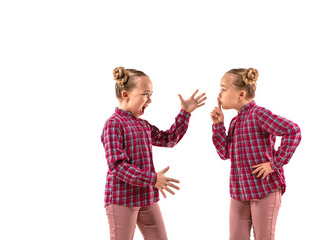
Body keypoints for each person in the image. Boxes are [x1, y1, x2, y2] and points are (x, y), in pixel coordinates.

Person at [101, 66, 206, 240]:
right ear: (126, 95)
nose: (149, 100)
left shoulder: (142, 125)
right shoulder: (113, 124)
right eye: (145, 94)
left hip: (146, 196)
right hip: (122, 198)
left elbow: (169, 139)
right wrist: (153, 179)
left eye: (151, 95)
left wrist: (185, 113)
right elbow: (117, 166)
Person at [210, 68, 301, 240]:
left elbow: (293, 130)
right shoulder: (235, 121)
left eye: (223, 89)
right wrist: (218, 125)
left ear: (241, 94)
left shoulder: (258, 115)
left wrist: (274, 164)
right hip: (239, 192)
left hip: (264, 189)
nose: (219, 94)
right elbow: (224, 153)